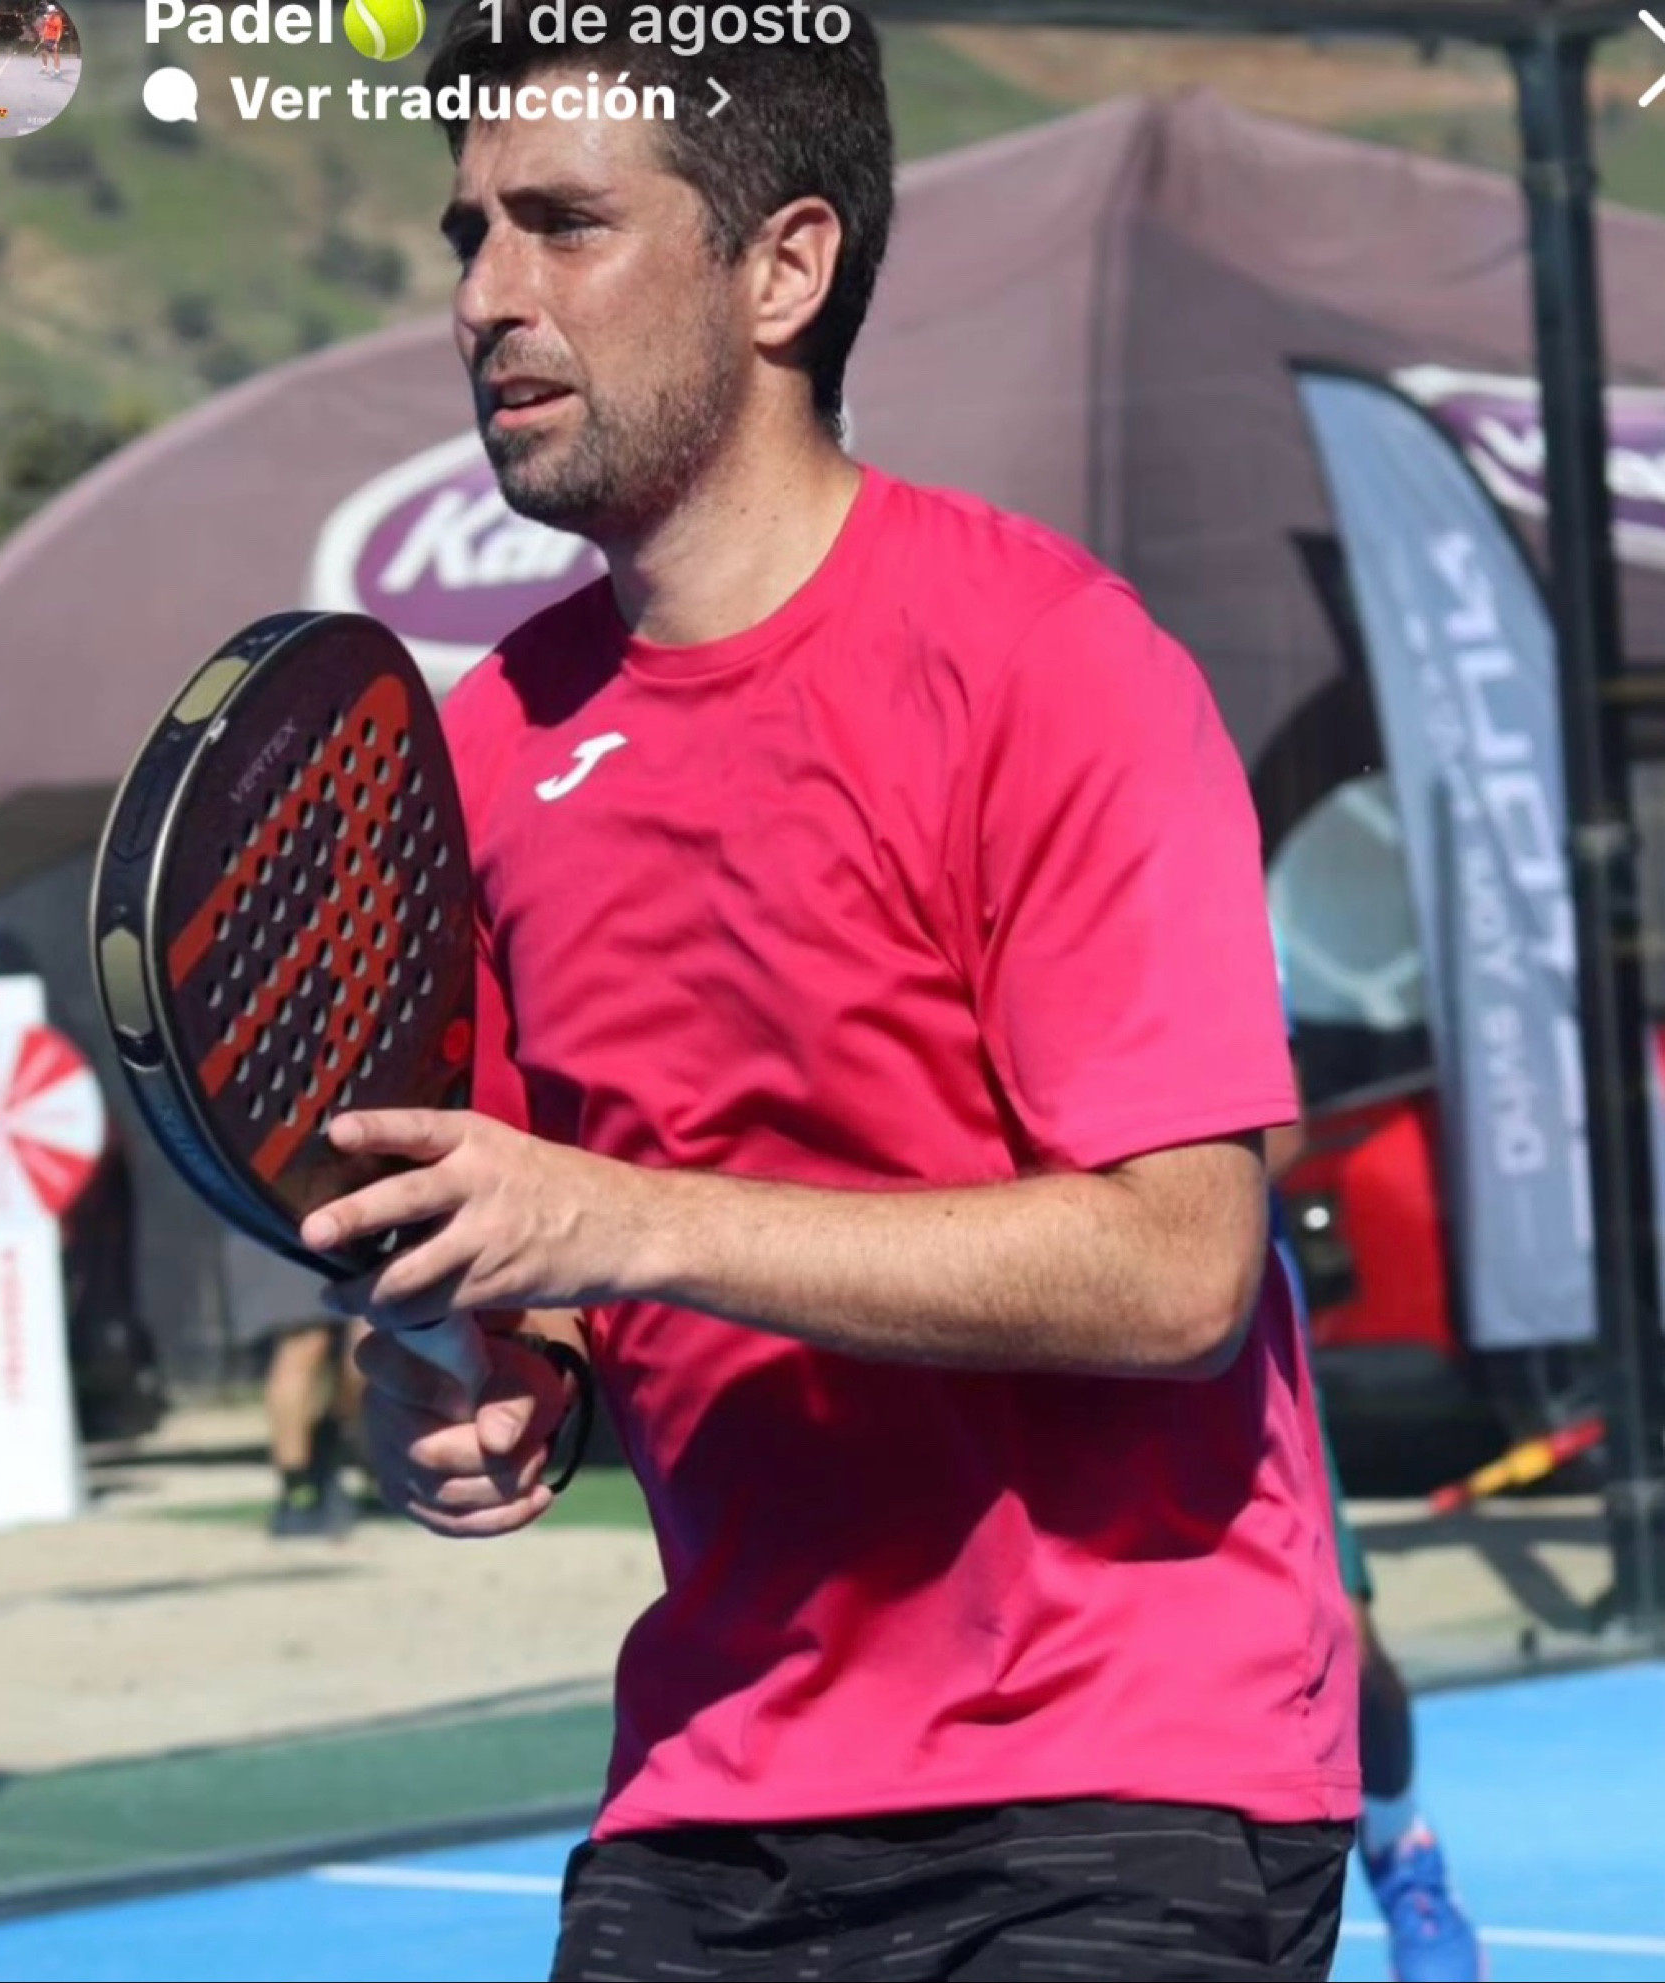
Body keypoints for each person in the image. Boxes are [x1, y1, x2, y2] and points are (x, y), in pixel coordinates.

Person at [318, 6, 1360, 1977]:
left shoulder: (1052, 661)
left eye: (565, 224)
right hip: (710, 1790)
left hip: (1122, 1777)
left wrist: (626, 1222)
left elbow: (1179, 1267)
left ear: (783, 267)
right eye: (471, 234)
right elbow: (539, 1256)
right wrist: (486, 1385)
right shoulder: (488, 747)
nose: (489, 297)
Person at [1265, 960, 1486, 1983]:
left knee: (1347, 1648)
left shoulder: (1210, 906)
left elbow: (1279, 1132)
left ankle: (1402, 1850)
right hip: (1064, 1348)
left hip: (1242, 1338)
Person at [221, 1234, 365, 1539]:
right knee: (304, 1339)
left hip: (353, 1224)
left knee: (363, 1351)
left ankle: (326, 1454)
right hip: (283, 1223)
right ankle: (297, 1490)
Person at [36, 5, 65, 78]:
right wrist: (43, 36)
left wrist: (56, 42)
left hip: (53, 39)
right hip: (46, 38)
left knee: (55, 55)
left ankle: (57, 71)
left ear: (54, 12)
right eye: (48, 12)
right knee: (44, 53)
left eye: (51, 12)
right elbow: (46, 27)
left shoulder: (58, 20)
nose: (49, 14)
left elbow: (59, 32)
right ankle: (44, 67)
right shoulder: (47, 18)